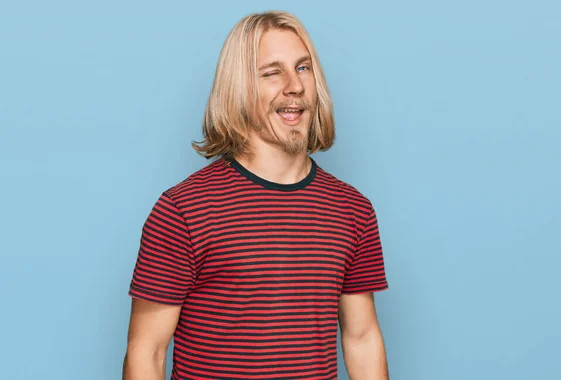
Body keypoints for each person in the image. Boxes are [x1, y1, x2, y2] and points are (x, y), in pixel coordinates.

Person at [123, 10, 389, 380]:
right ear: (239, 87)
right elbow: (146, 352)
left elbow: (362, 339)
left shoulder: (352, 210)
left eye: (303, 68)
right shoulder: (182, 211)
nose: (294, 86)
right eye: (271, 72)